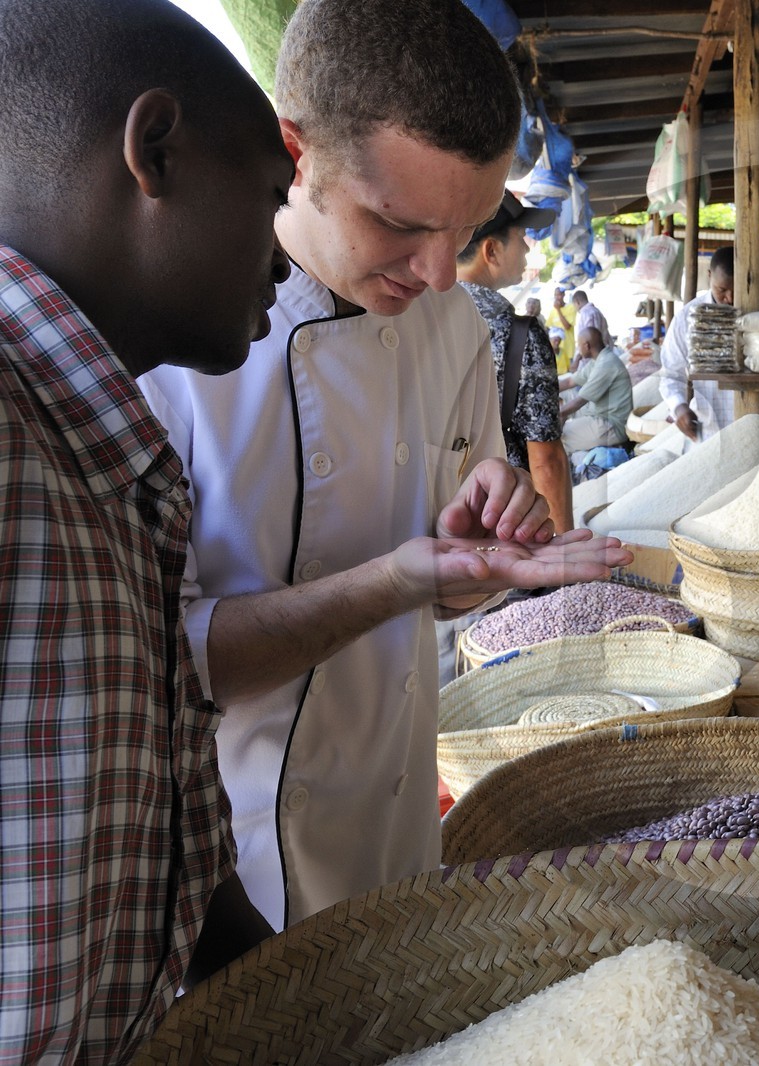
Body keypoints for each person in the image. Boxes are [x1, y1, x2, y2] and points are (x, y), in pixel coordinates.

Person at [138, 0, 628, 935]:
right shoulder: (174, 346)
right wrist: (398, 580)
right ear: (298, 151)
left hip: (399, 821)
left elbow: (453, 570)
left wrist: (475, 563)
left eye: (468, 226)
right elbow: (159, 661)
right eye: (399, 222)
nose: (441, 273)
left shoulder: (451, 327)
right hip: (229, 868)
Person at [0, 0, 295, 1058]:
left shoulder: (106, 457)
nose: (284, 261)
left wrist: (328, 1008)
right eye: (271, 200)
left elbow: (176, 850)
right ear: (155, 151)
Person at [457, 190, 573, 532]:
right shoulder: (519, 334)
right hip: (505, 526)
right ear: (491, 250)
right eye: (521, 238)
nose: (527, 248)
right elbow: (545, 460)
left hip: (428, 524)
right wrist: (564, 559)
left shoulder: (417, 320)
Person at [659, 246, 759, 439]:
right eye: (721, 290)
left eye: (736, 290)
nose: (729, 298)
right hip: (708, 431)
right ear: (709, 275)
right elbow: (671, 373)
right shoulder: (688, 317)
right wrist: (679, 407)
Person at [560, 326, 633, 450]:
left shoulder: (606, 364)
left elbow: (579, 401)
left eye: (579, 345)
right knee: (564, 394)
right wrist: (541, 389)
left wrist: (556, 416)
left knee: (558, 438)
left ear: (587, 346)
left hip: (610, 425)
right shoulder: (598, 360)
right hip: (597, 413)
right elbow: (569, 382)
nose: (578, 349)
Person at [550, 287, 576, 373]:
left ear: (564, 295)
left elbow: (567, 326)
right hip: (557, 351)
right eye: (556, 295)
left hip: (568, 349)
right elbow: (548, 328)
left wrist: (558, 310)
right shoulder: (552, 310)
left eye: (560, 295)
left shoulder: (571, 307)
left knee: (569, 374)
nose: (557, 297)